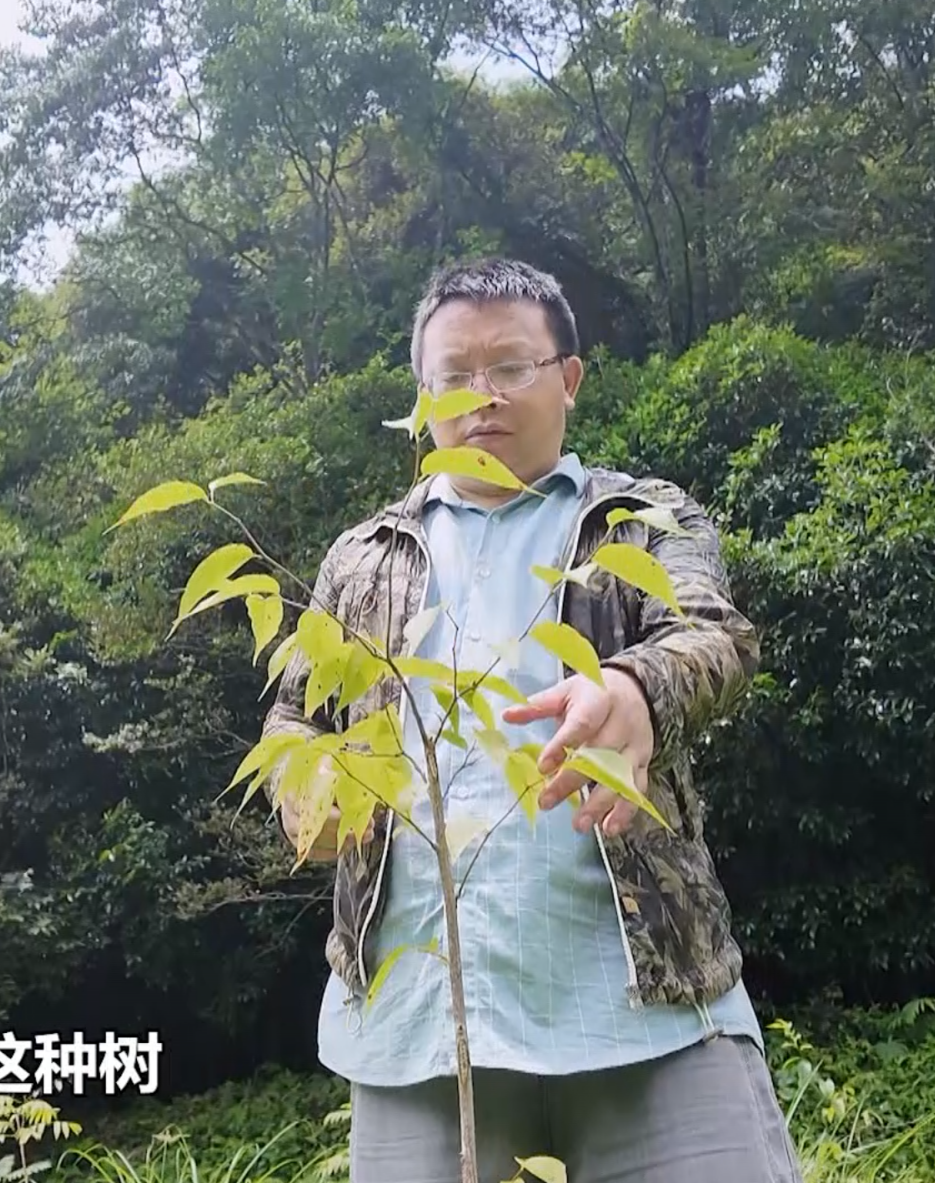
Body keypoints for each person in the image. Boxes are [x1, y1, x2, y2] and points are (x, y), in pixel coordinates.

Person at [257, 258, 805, 1182]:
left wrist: (634, 688)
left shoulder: (634, 519)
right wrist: (300, 784)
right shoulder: (362, 558)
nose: (483, 396)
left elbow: (712, 634)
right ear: (420, 397)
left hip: (649, 1009)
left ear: (568, 377)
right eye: (452, 376)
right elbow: (292, 714)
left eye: (511, 366)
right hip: (418, 1028)